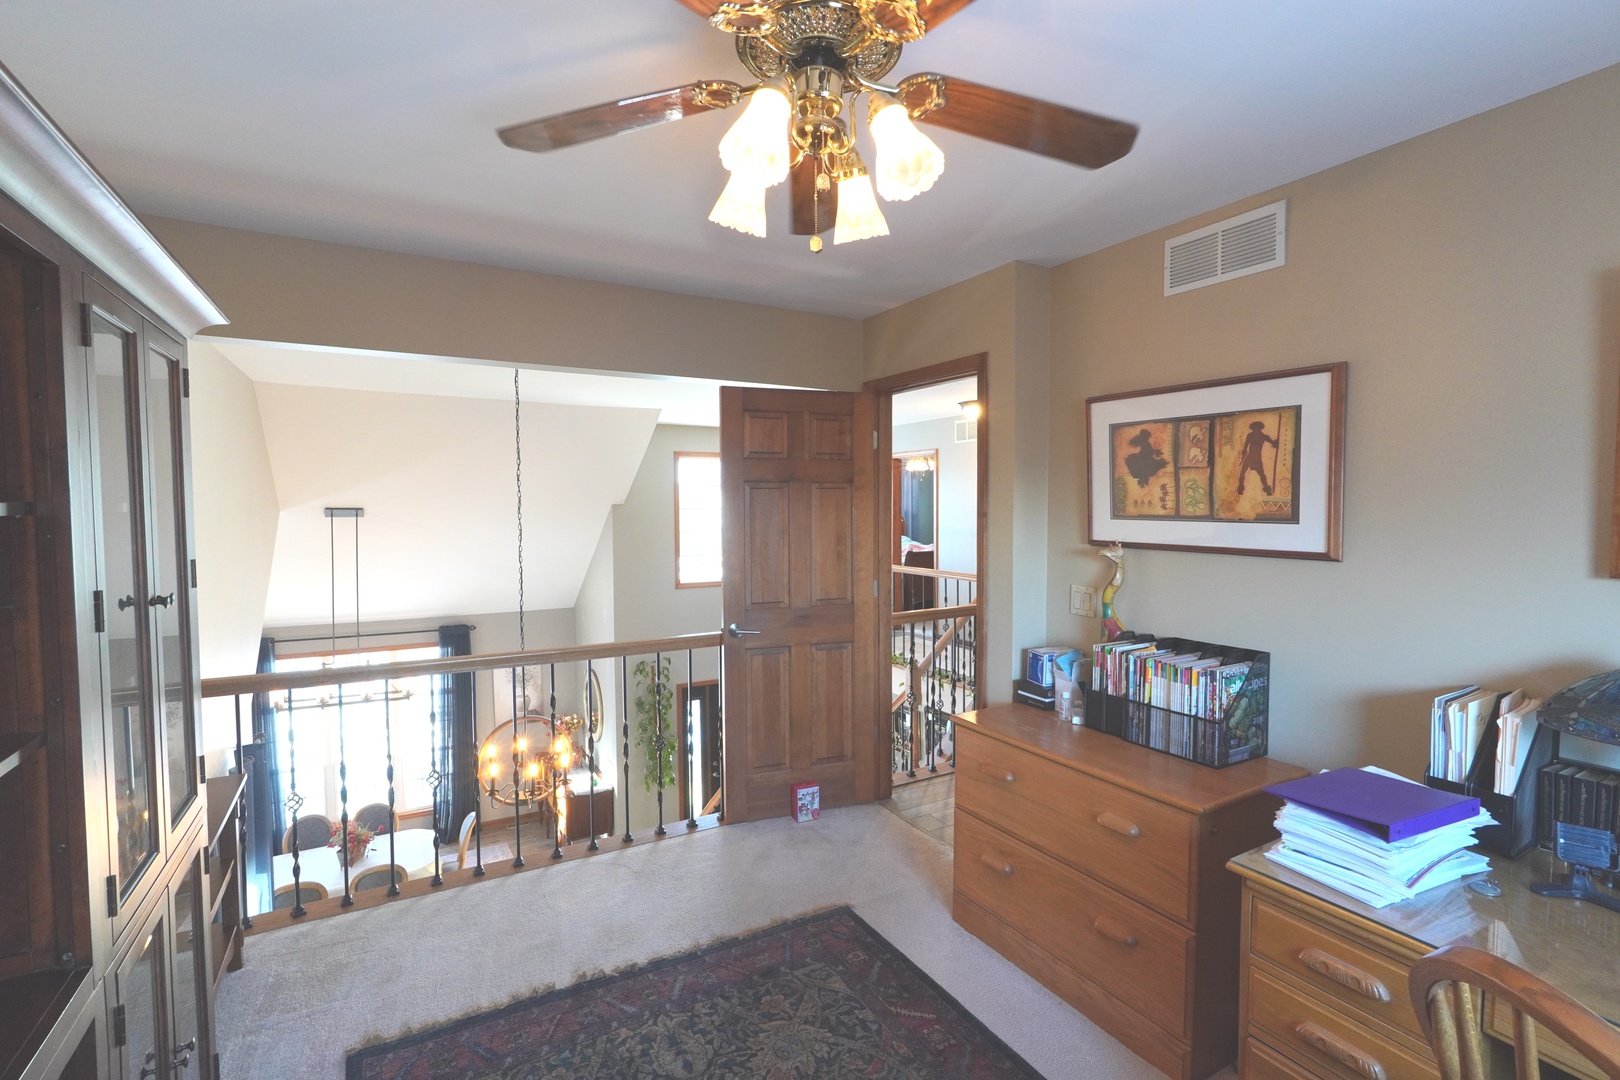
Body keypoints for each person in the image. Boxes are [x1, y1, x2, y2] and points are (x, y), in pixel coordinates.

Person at [1236, 420, 1276, 496]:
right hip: (1252, 457)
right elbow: (1245, 446)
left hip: (1253, 457)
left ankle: (1267, 490)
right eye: (1255, 428)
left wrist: (1275, 443)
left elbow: (1273, 442)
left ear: (1259, 428)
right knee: (1246, 472)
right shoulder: (1259, 436)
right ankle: (1241, 490)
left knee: (1259, 473)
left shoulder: (1261, 436)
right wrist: (1275, 443)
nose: (1256, 429)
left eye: (1257, 428)